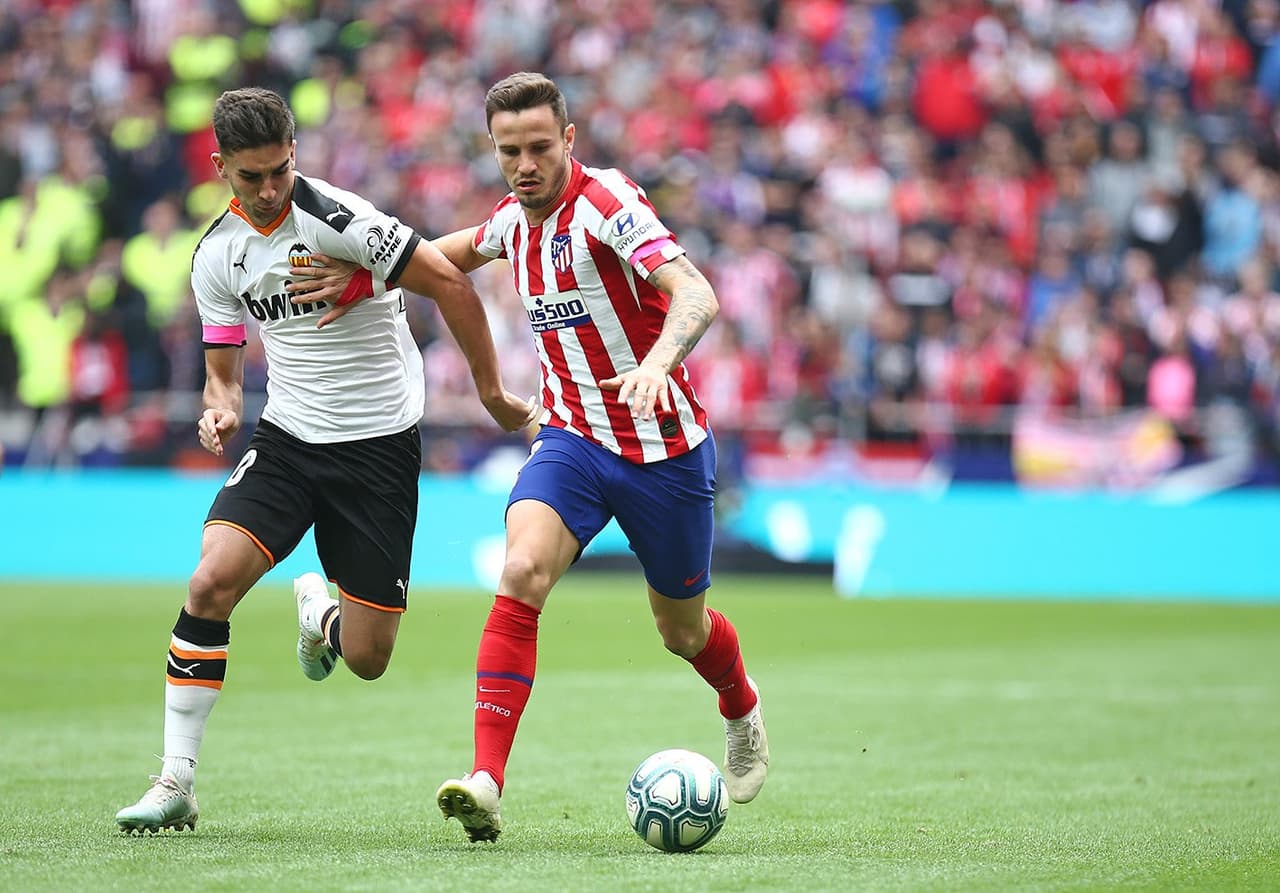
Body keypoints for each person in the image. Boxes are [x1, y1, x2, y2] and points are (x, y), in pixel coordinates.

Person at [289, 72, 769, 843]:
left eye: (540, 147)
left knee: (681, 630)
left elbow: (696, 293)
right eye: (509, 150)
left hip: (664, 447)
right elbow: (441, 256)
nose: (525, 164)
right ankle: (486, 778)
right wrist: (362, 269)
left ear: (568, 140)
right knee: (521, 572)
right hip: (571, 440)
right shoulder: (515, 221)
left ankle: (741, 706)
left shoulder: (610, 205)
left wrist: (655, 363)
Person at [114, 87, 535, 834]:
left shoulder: (343, 221)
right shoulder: (216, 253)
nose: (270, 188)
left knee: (369, 658)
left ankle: (318, 608)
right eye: (252, 177)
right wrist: (220, 403)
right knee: (210, 580)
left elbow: (448, 281)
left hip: (377, 450)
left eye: (280, 169)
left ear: (294, 153)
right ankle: (175, 777)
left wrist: (494, 394)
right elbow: (223, 364)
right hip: (289, 442)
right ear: (220, 169)